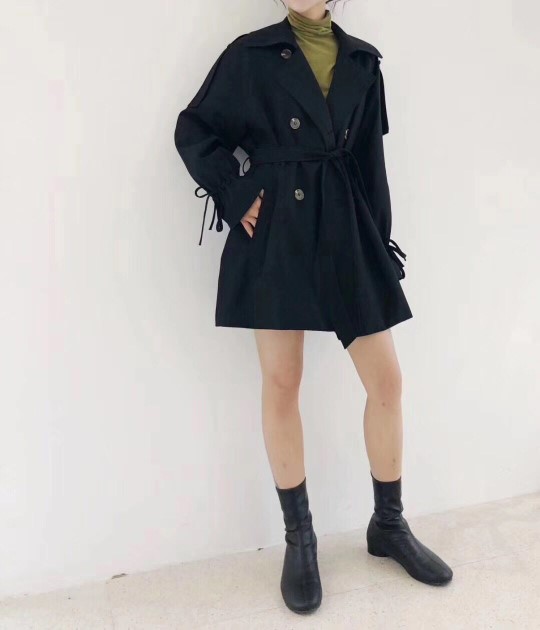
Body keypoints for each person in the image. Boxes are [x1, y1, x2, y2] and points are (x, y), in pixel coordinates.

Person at [174, 0, 453, 615]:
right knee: (283, 381)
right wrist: (236, 194)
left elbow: (370, 164)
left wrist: (379, 243)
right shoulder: (249, 55)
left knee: (386, 381)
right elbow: (194, 129)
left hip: (345, 229)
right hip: (277, 232)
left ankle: (388, 523)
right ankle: (300, 541)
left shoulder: (363, 62)